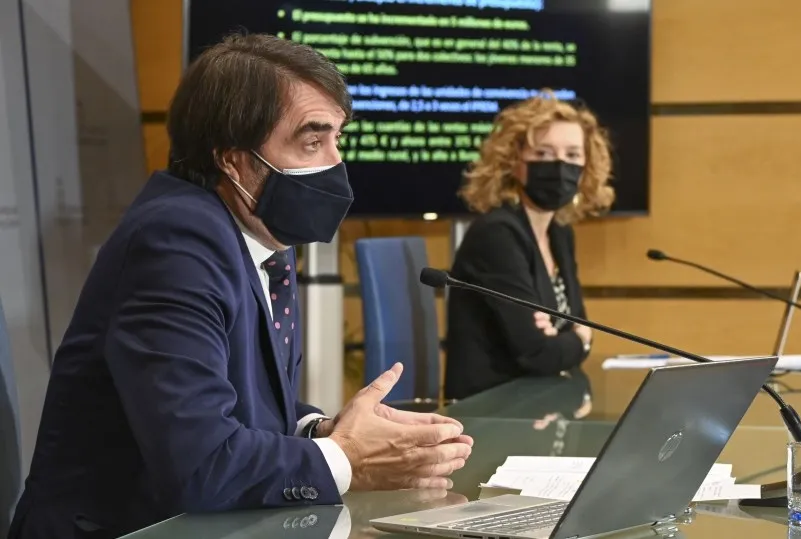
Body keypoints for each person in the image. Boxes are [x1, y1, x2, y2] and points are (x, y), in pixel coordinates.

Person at [9, 34, 473, 539]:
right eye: (312, 141)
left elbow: (238, 401)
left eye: (338, 140)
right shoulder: (175, 242)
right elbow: (202, 463)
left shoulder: (260, 231)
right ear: (234, 160)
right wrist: (347, 459)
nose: (336, 164)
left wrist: (320, 431)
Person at [444, 91, 615, 400]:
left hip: (541, 402)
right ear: (514, 161)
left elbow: (574, 323)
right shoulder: (496, 234)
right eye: (544, 154)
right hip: (489, 411)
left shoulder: (560, 233)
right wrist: (579, 339)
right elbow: (538, 353)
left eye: (573, 155)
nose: (560, 166)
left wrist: (566, 336)